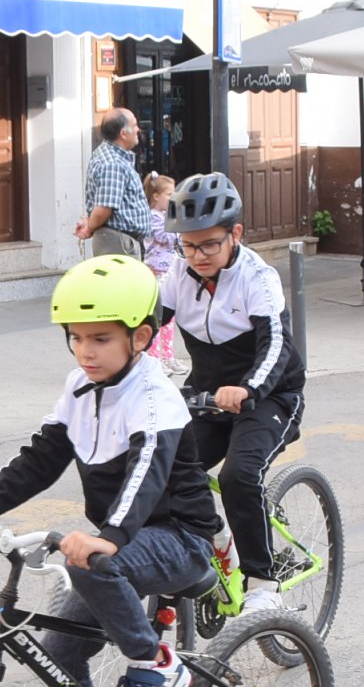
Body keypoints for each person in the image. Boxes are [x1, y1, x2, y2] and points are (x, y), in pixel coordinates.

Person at [0, 255, 221, 687]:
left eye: (100, 338)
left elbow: (147, 474)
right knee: (61, 650)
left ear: (140, 337)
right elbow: (43, 456)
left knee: (86, 561)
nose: (86, 351)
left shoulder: (153, 396)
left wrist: (111, 537)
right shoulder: (80, 386)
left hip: (179, 540)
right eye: (76, 339)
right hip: (121, 546)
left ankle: (155, 667)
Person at [158, 172, 305, 613]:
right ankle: (216, 537)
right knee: (162, 467)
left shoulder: (257, 277)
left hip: (271, 396)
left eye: (209, 245)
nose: (197, 255)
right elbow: (144, 330)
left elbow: (275, 344)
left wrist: (246, 388)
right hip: (206, 396)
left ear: (235, 234)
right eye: (187, 245)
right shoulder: (177, 276)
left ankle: (263, 583)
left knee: (239, 476)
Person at [76, 109, 152, 258]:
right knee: (124, 282)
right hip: (118, 243)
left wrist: (89, 224)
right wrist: (89, 228)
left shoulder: (109, 155)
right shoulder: (113, 163)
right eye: (135, 125)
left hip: (119, 240)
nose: (138, 129)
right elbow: (104, 208)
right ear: (123, 133)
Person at [139, 174, 180, 363]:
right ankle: (155, 357)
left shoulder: (164, 217)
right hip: (156, 271)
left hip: (168, 271)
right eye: (169, 194)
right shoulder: (153, 218)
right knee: (158, 315)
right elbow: (166, 237)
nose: (173, 198)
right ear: (156, 196)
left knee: (169, 318)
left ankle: (168, 357)